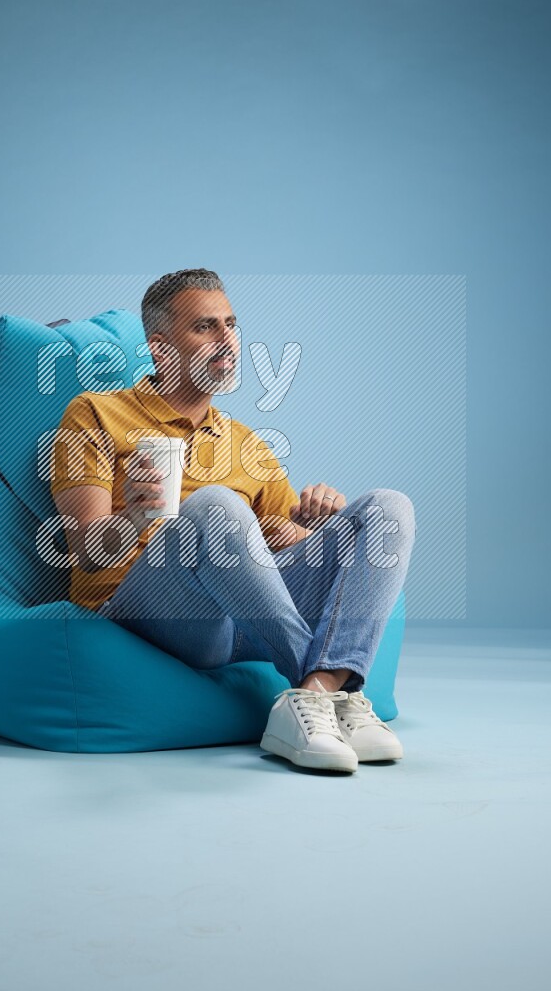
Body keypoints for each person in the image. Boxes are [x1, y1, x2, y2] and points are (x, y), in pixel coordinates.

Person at [50, 268, 416, 774]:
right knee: (216, 505)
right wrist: (133, 517)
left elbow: (288, 554)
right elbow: (85, 553)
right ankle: (320, 689)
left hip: (238, 623)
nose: (228, 340)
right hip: (143, 612)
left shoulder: (248, 444)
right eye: (205, 328)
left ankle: (319, 693)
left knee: (387, 508)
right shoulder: (93, 414)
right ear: (161, 348)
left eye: (231, 324)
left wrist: (304, 527)